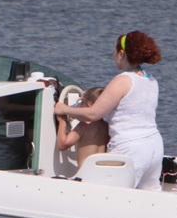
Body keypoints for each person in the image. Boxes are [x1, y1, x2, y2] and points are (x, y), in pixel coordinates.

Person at [54, 31, 163, 190]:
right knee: (151, 192)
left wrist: (64, 109)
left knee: (115, 194)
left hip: (130, 146)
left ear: (121, 53)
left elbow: (93, 113)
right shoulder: (151, 80)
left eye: (114, 50)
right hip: (154, 144)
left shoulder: (122, 80)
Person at [56, 87, 110, 166]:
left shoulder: (84, 126)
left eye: (82, 103)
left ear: (88, 105)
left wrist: (62, 121)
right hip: (101, 170)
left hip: (86, 171)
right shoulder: (107, 126)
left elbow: (62, 145)